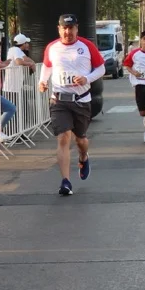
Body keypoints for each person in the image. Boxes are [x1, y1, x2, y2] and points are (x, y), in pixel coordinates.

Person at [40, 14, 105, 194]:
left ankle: (83, 156)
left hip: (81, 100)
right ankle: (66, 181)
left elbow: (101, 68)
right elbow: (47, 66)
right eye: (64, 28)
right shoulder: (52, 47)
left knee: (81, 140)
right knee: (63, 137)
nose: (68, 32)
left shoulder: (86, 46)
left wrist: (87, 78)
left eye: (71, 28)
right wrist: (42, 81)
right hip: (59, 99)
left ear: (77, 29)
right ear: (59, 29)